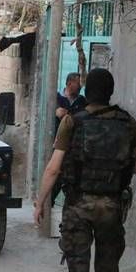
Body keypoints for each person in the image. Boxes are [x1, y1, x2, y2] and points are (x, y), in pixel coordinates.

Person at [34, 68, 136, 272]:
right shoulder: (127, 122)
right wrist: (117, 172)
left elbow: (54, 168)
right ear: (110, 92)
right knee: (108, 266)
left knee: (78, 268)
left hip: (78, 207)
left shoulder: (73, 121)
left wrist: (40, 202)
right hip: (111, 206)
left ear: (87, 92)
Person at [52, 73, 88, 206]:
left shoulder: (82, 102)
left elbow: (83, 119)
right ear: (69, 84)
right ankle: (46, 203)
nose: (80, 87)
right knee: (55, 173)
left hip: (75, 145)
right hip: (58, 144)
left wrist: (67, 114)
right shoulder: (56, 98)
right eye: (78, 84)